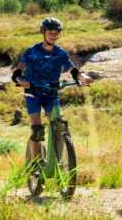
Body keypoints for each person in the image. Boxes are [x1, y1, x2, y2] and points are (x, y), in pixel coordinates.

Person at [12, 17, 92, 164]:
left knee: (58, 127)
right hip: (33, 93)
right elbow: (17, 74)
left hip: (51, 93)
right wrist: (22, 81)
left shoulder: (60, 53)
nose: (53, 36)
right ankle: (35, 163)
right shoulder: (32, 51)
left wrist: (84, 77)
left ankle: (58, 161)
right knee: (37, 129)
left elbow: (73, 70)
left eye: (56, 33)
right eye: (50, 32)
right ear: (43, 32)